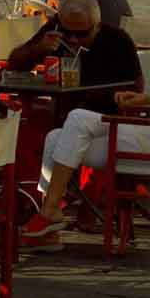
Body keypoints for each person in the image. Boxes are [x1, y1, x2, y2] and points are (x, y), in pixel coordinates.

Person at [22, 90, 150, 251]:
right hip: (141, 134)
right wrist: (143, 98)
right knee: (55, 138)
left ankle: (49, 210)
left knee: (78, 118)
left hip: (145, 139)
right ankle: (47, 233)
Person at [6, 0, 143, 114]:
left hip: (103, 115)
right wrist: (38, 49)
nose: (73, 39)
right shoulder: (55, 29)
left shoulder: (117, 40)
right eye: (67, 32)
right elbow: (13, 65)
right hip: (63, 110)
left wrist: (99, 96)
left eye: (82, 34)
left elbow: (136, 88)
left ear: (97, 26)